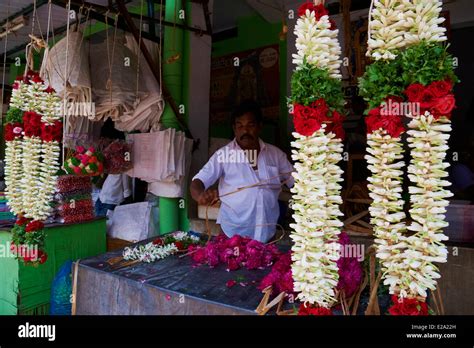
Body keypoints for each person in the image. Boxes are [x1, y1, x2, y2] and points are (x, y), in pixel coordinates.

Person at [190, 100, 294, 243]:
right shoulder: (224, 155)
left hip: (268, 235)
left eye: (250, 125)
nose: (245, 131)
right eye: (240, 126)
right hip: (233, 236)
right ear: (234, 128)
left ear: (259, 126)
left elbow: (296, 183)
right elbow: (197, 181)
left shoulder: (275, 155)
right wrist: (201, 195)